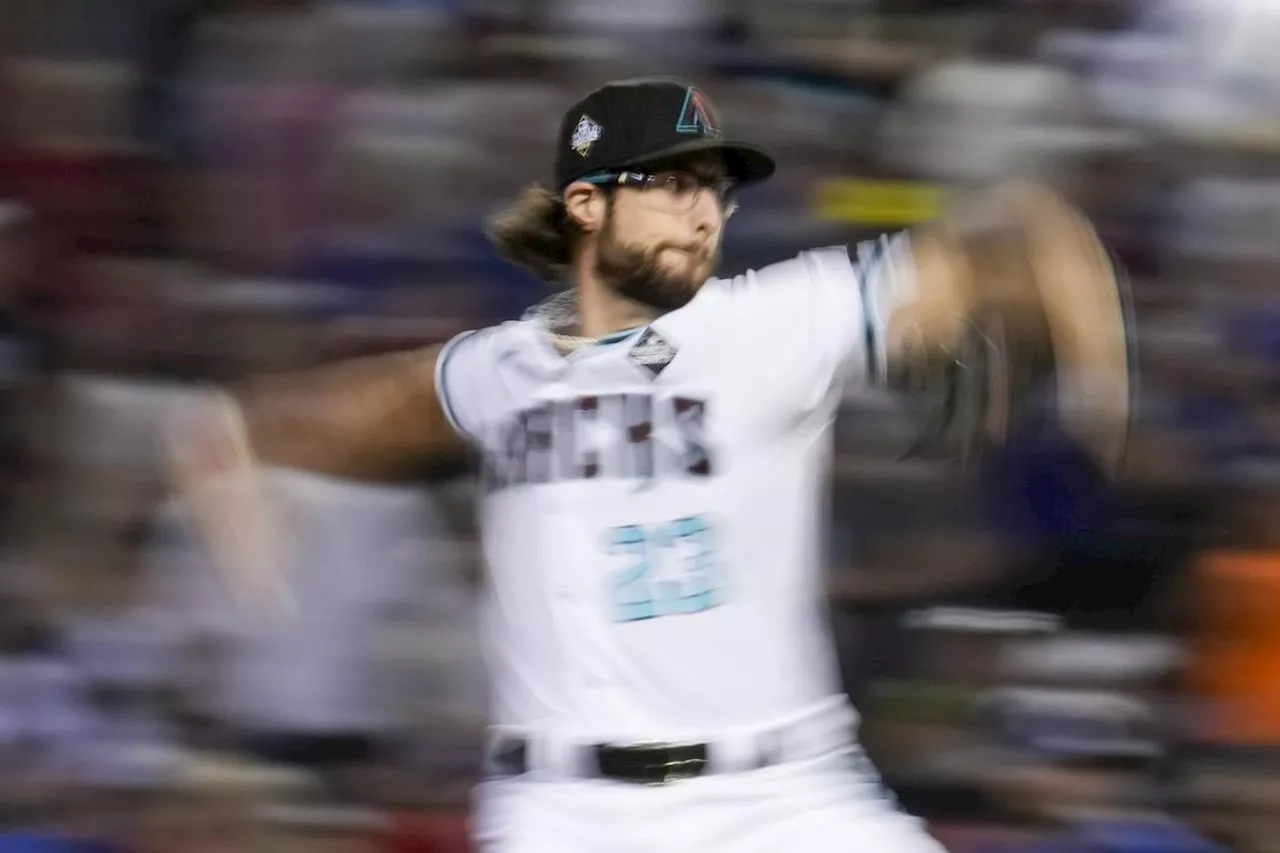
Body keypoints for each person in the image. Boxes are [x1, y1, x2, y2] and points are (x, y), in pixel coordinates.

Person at [167, 77, 1129, 853]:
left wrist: (1093, 394)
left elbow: (1024, 230)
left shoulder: (774, 319)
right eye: (670, 184)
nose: (702, 209)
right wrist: (236, 478)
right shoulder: (496, 369)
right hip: (568, 811)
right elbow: (270, 419)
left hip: (785, 797)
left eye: (712, 186)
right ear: (585, 204)